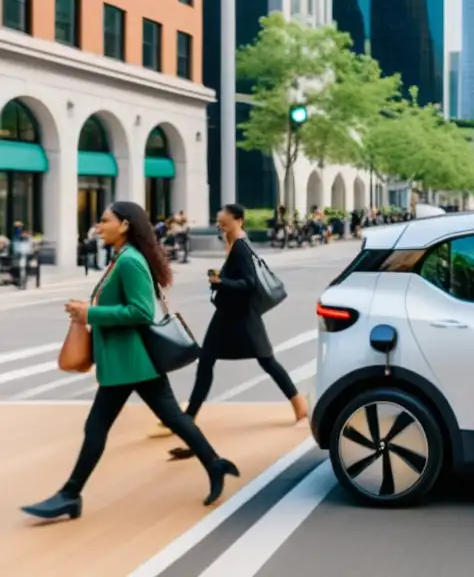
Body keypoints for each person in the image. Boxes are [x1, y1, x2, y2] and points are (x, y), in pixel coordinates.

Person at [21, 202, 238, 521]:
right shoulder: (122, 257)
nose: (99, 225)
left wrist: (90, 313)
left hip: (129, 361)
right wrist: (88, 308)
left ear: (124, 225)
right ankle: (215, 464)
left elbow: (140, 312)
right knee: (173, 418)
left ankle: (70, 494)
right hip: (131, 361)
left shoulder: (129, 261)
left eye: (105, 220)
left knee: (97, 426)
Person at [167, 205, 306, 459]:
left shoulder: (241, 246)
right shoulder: (235, 243)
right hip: (228, 316)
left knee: (266, 361)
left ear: (238, 221)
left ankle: (300, 406)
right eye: (218, 222)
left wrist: (222, 282)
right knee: (207, 362)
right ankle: (188, 419)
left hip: (242, 317)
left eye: (224, 222)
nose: (220, 226)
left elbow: (249, 284)